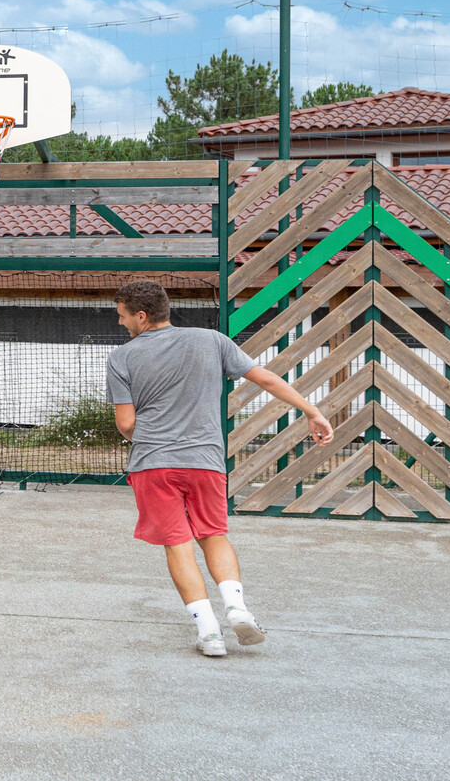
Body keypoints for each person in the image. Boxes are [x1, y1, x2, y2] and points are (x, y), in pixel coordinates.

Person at [107, 279, 331, 658]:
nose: (120, 322)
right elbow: (265, 378)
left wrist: (151, 436)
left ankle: (209, 632)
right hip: (206, 462)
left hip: (154, 465)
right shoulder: (212, 341)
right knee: (213, 535)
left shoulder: (121, 358)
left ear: (141, 316)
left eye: (122, 315)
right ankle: (237, 608)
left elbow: (127, 424)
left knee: (177, 545)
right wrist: (312, 411)